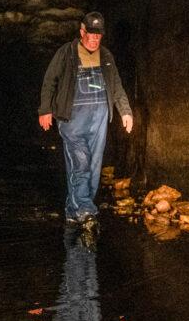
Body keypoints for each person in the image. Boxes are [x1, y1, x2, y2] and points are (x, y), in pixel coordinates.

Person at [38, 12, 133, 226]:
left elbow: (116, 85)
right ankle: (86, 210)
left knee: (93, 167)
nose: (94, 40)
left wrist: (125, 111)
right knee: (80, 163)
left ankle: (74, 210)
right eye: (90, 35)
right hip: (72, 119)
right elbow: (49, 81)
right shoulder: (66, 53)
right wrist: (45, 109)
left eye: (98, 36)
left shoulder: (106, 56)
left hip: (99, 119)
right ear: (82, 31)